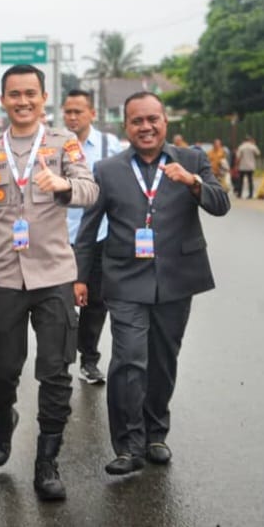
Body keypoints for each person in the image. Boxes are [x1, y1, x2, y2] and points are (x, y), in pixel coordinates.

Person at [74, 92, 230, 475]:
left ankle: (156, 433)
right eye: (137, 121)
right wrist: (79, 278)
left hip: (177, 279)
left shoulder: (191, 160)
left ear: (165, 122)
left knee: (162, 360)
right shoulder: (108, 170)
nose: (146, 127)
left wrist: (194, 183)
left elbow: (220, 203)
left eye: (152, 119)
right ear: (126, 127)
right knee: (128, 359)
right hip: (125, 278)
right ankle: (128, 445)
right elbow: (88, 229)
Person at [0, 65, 98, 501]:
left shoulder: (64, 144)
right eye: (14, 94)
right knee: (0, 371)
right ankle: (4, 420)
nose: (23, 101)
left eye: (31, 94)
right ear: (2, 99)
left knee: (56, 371)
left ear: (44, 99)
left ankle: (47, 461)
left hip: (55, 275)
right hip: (3, 276)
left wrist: (63, 185)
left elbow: (89, 190)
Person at [62, 89, 123, 385]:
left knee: (96, 301)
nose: (72, 117)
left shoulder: (111, 146)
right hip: (60, 236)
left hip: (100, 236)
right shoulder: (54, 144)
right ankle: (59, 359)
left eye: (78, 112)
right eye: (68, 112)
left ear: (92, 114)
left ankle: (88, 358)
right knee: (59, 301)